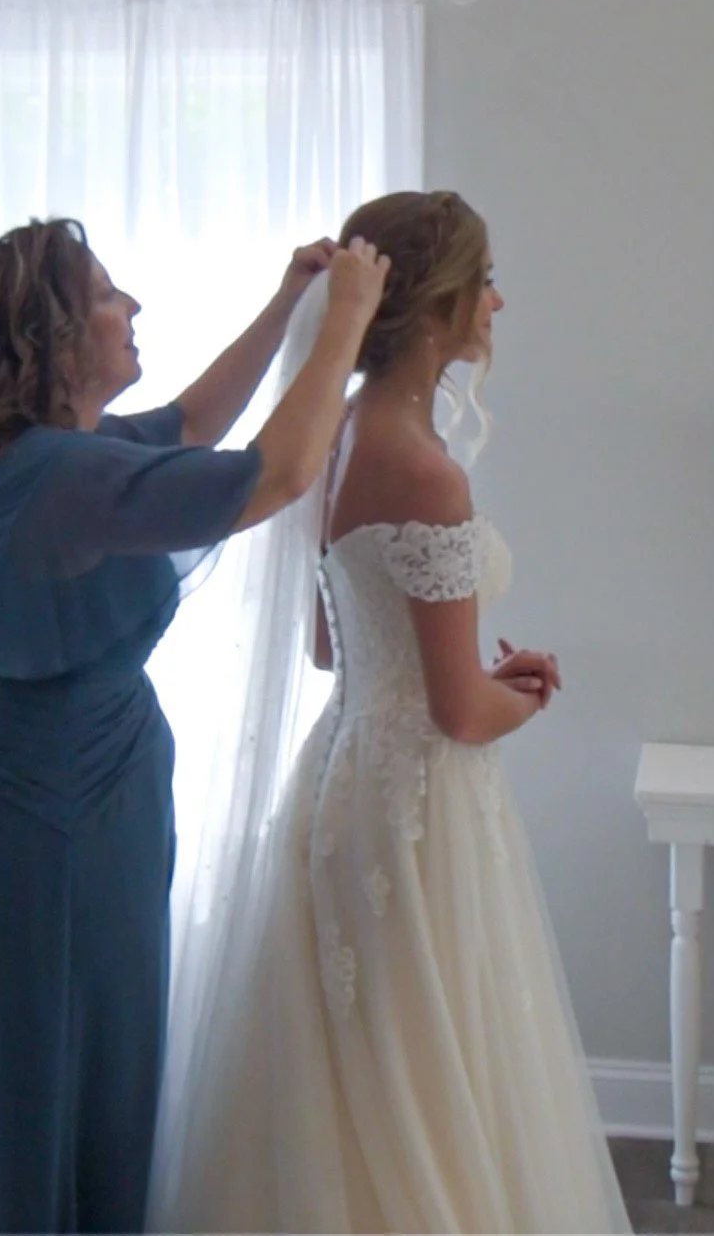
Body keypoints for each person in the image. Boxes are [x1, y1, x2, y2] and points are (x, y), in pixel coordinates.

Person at [0, 215, 389, 1235]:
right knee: (32, 1095)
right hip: (37, 837)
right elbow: (274, 475)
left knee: (69, 1082)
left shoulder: (47, 458)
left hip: (55, 817)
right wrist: (345, 323)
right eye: (107, 294)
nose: (131, 306)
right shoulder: (57, 475)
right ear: (53, 337)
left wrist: (286, 304)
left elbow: (193, 422)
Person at [152, 190, 631, 1235]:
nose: (498, 303)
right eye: (485, 281)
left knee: (349, 1068)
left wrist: (438, 673)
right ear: (438, 304)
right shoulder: (426, 471)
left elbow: (331, 647)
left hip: (342, 778)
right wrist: (529, 692)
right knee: (428, 1067)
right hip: (421, 807)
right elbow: (460, 713)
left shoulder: (334, 436)